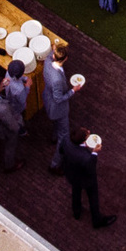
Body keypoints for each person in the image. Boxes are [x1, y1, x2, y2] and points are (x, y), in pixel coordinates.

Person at [59, 128, 115, 229]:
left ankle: (76, 212)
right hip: (86, 179)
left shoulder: (66, 139)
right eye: (86, 134)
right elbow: (91, 168)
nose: (89, 131)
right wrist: (94, 153)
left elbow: (61, 150)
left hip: (72, 174)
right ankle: (96, 220)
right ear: (84, 141)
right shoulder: (85, 157)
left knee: (76, 192)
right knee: (93, 197)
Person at [42, 43, 80, 171]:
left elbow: (48, 55)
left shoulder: (48, 61)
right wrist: (73, 90)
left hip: (47, 99)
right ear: (66, 59)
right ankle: (55, 164)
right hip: (57, 108)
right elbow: (59, 98)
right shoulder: (57, 79)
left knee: (56, 125)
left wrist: (54, 48)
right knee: (64, 135)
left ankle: (53, 137)